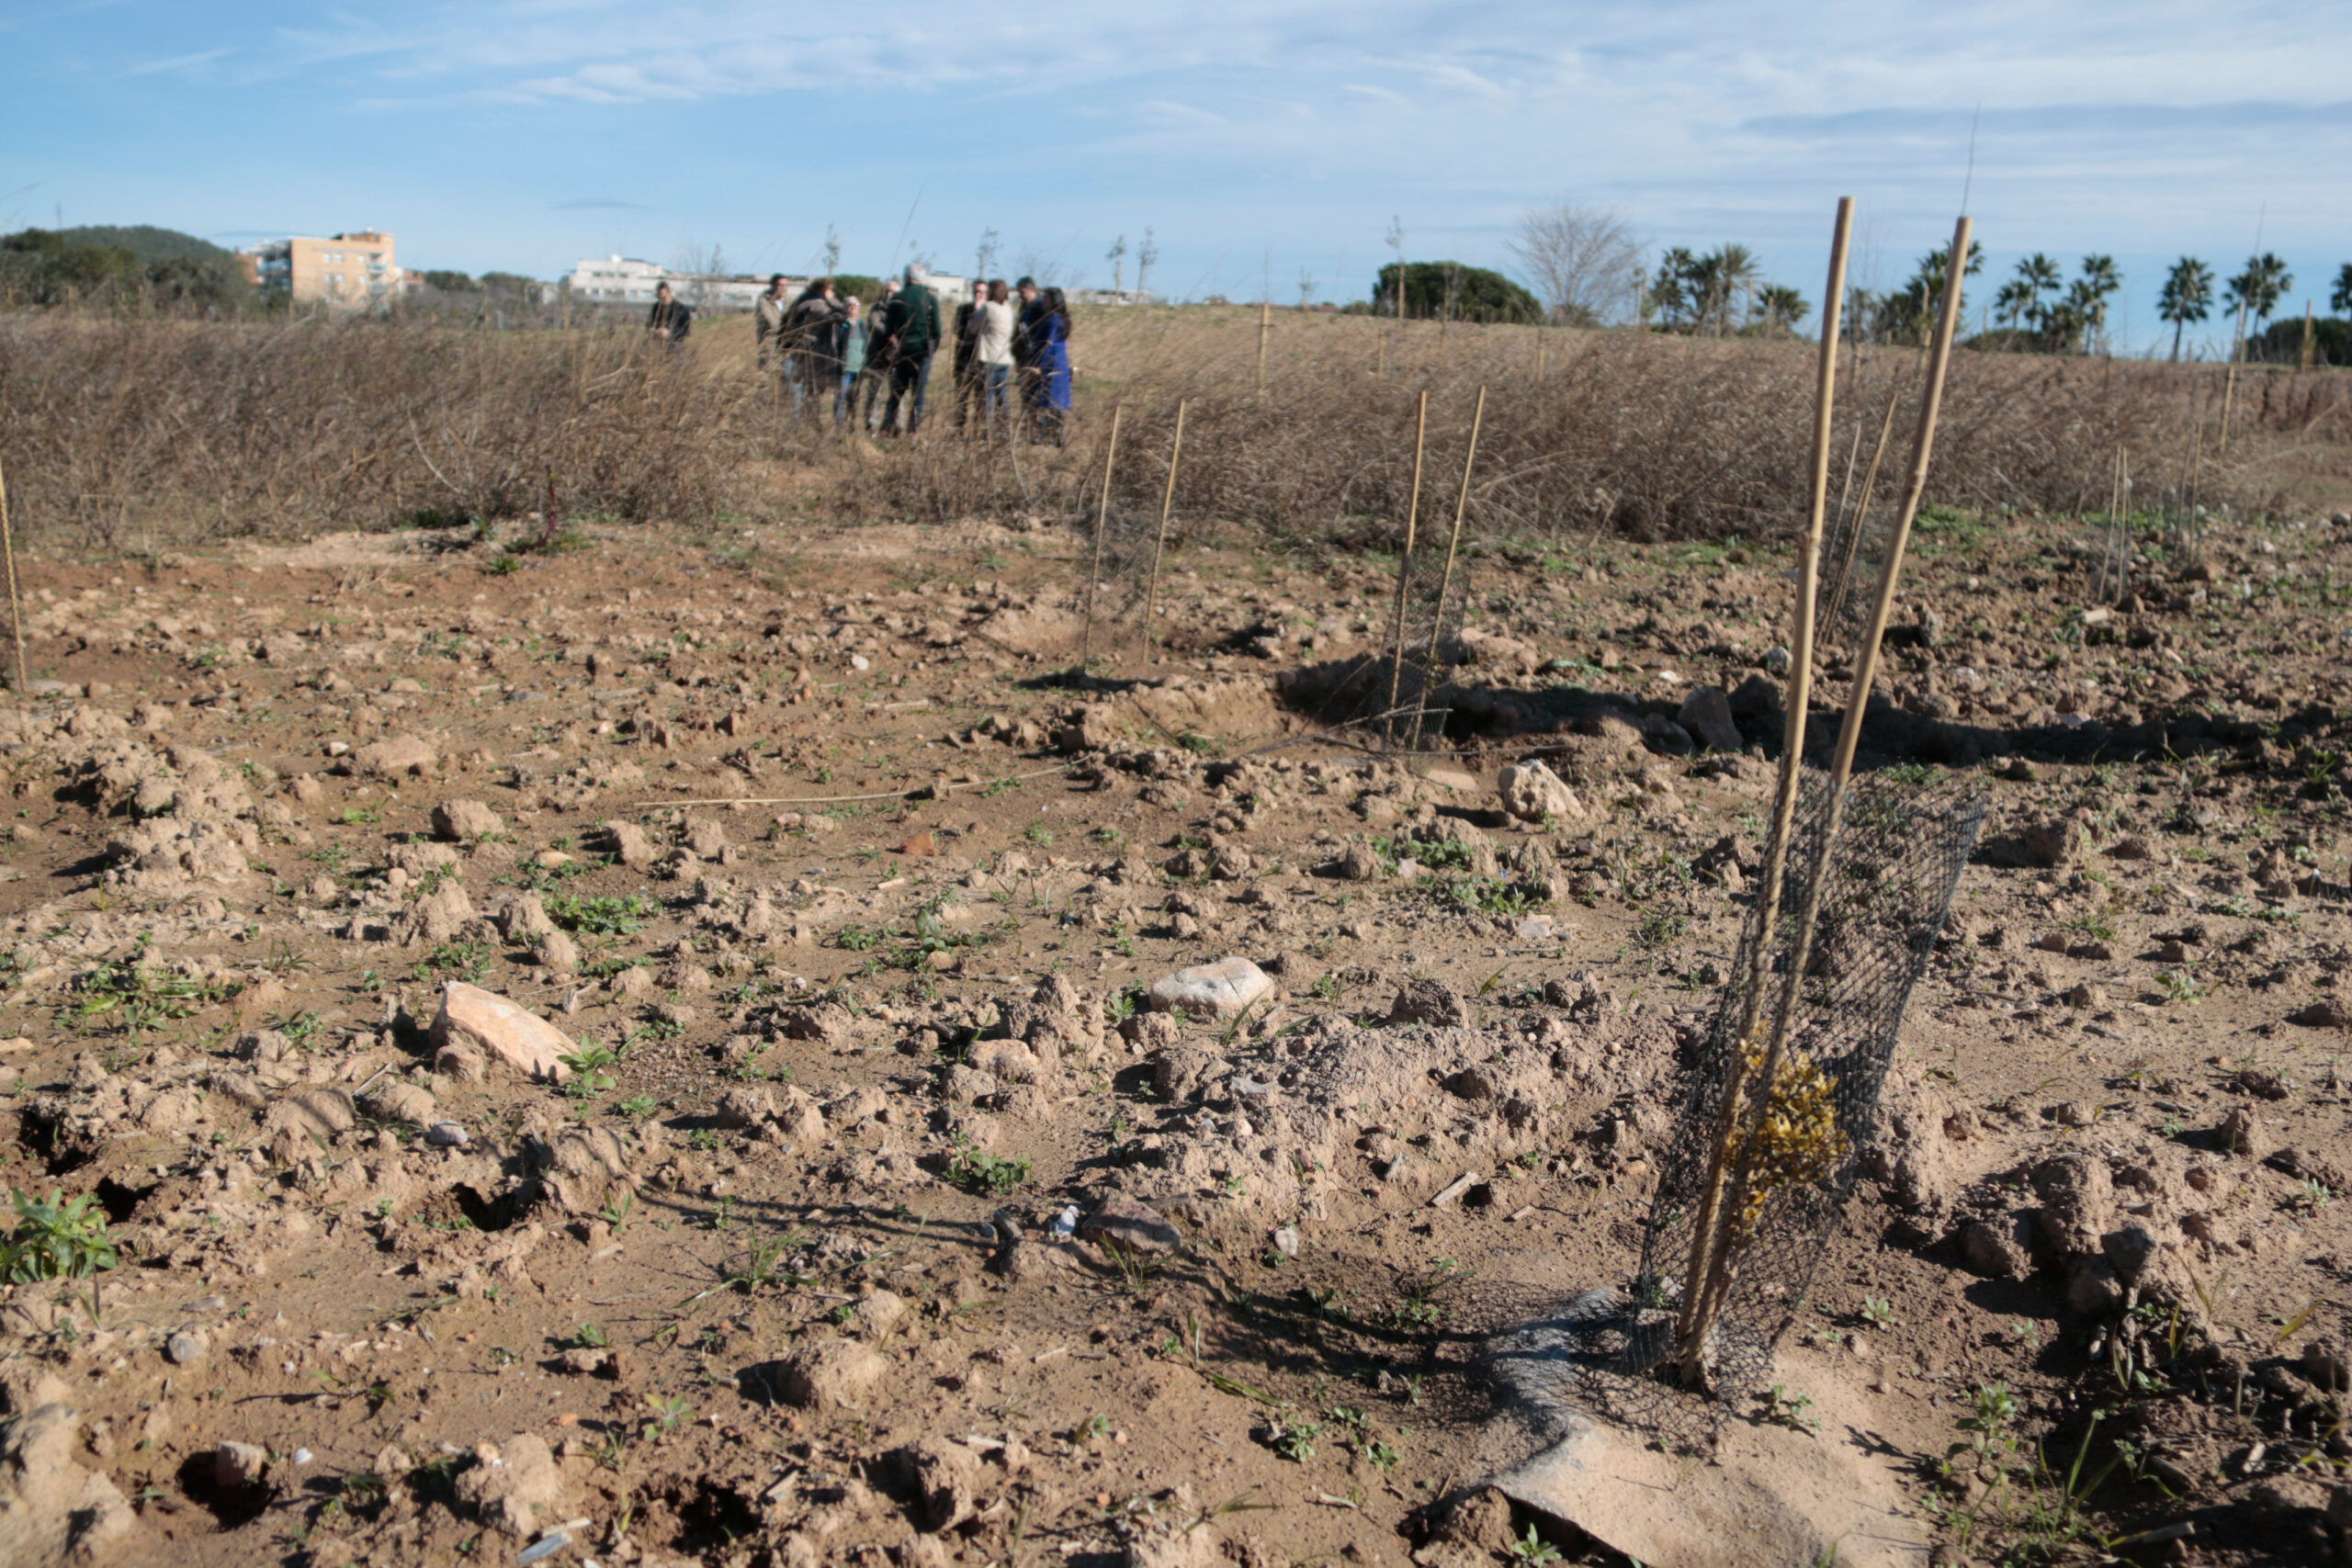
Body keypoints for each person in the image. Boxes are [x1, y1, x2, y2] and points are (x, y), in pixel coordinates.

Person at [876, 263, 942, 436]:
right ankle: (913, 432)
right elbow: (937, 331)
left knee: (896, 392)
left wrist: (897, 345)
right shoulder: (930, 298)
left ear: (907, 277)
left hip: (902, 352)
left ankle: (885, 429)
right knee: (918, 394)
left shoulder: (897, 297)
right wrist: (931, 350)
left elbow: (888, 330)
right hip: (923, 353)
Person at [783, 277, 843, 416]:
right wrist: (831, 299)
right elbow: (842, 314)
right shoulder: (815, 304)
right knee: (812, 390)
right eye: (831, 289)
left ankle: (808, 419)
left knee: (807, 391)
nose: (833, 292)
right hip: (813, 355)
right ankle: (810, 420)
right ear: (823, 289)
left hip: (802, 354)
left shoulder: (802, 301)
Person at [1024, 286, 1073, 445]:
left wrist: (1039, 364)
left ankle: (1048, 435)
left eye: (1046, 298)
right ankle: (1056, 436)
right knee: (1055, 402)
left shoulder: (1052, 318)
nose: (1044, 301)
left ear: (1053, 301)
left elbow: (1047, 343)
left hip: (1051, 363)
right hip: (1061, 362)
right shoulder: (1062, 318)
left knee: (1046, 400)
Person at [973, 279, 1015, 433]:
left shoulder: (987, 307)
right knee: (1002, 397)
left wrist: (977, 309)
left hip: (989, 358)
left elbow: (972, 328)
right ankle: (1004, 429)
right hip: (1004, 359)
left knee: (987, 397)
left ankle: (987, 431)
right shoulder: (1009, 309)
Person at [834, 296, 873, 429]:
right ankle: (839, 425)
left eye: (856, 305)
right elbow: (837, 346)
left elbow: (867, 346)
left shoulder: (862, 326)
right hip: (844, 368)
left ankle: (851, 423)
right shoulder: (841, 325)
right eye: (849, 305)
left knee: (854, 398)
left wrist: (865, 364)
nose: (853, 308)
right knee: (840, 397)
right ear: (844, 308)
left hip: (858, 368)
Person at [950, 281, 985, 428]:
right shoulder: (963, 310)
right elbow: (957, 330)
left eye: (981, 292)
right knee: (961, 397)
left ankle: (978, 429)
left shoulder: (988, 311)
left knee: (980, 399)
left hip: (981, 360)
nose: (978, 294)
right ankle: (958, 429)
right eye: (976, 291)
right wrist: (972, 316)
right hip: (963, 359)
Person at [752, 274, 790, 383]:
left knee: (785, 380)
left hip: (786, 347)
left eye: (786, 285)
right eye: (780, 285)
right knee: (767, 380)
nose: (784, 288)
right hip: (769, 347)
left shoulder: (788, 302)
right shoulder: (764, 301)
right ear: (773, 286)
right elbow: (773, 324)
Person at [647, 280, 691, 344]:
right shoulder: (656, 308)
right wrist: (653, 330)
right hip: (657, 342)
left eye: (664, 297)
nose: (661, 300)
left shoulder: (681, 309)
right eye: (660, 298)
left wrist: (670, 333)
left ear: (670, 293)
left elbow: (686, 331)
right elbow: (649, 324)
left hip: (675, 344)